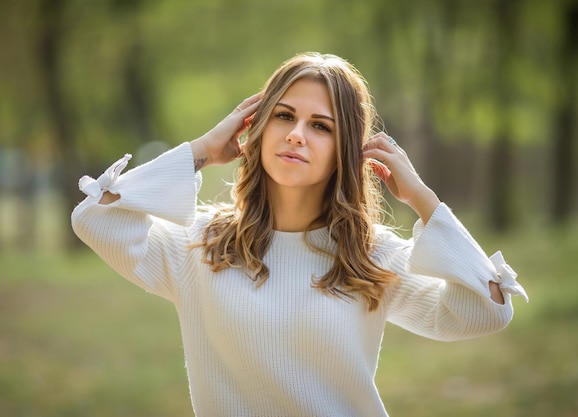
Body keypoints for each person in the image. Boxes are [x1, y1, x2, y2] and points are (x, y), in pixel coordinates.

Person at [71, 52, 528, 417]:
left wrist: (423, 200)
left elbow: (487, 309)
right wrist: (202, 151)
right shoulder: (200, 245)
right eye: (284, 116)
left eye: (320, 126)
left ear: (344, 150)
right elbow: (95, 219)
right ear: (258, 127)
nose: (296, 135)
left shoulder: (371, 258)